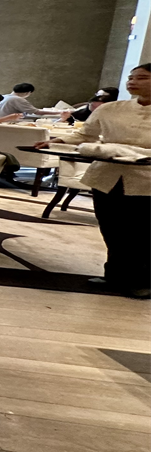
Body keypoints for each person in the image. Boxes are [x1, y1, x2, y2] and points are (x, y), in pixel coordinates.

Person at [39, 63, 151, 298]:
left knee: (141, 232)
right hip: (107, 176)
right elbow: (84, 135)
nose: (132, 82)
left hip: (146, 180)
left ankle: (142, 280)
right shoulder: (111, 108)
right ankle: (114, 275)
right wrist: (56, 141)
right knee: (111, 228)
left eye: (141, 78)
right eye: (131, 77)